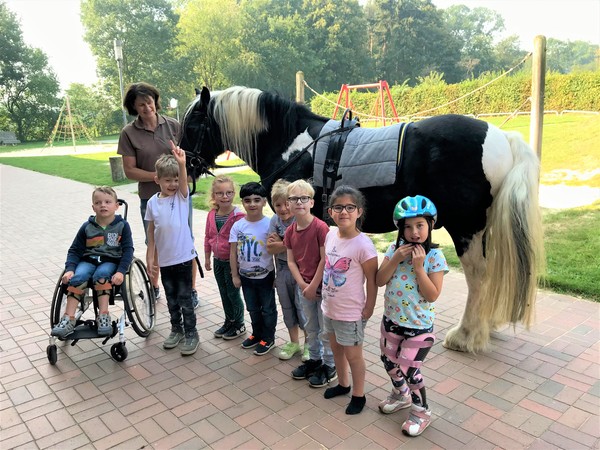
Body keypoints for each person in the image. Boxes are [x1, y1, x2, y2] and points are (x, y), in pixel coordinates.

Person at [117, 82, 199, 306]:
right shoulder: (129, 133)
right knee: (154, 242)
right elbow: (129, 170)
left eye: (149, 102)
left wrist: (181, 176)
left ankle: (190, 290)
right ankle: (154, 287)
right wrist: (158, 177)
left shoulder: (173, 125)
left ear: (155, 101)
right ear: (134, 107)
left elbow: (189, 158)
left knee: (186, 240)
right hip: (150, 197)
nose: (147, 108)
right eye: (141, 104)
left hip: (179, 196)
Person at [376, 195, 448, 436]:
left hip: (419, 327)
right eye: (407, 226)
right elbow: (379, 280)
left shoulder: (435, 257)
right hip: (391, 321)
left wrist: (419, 267)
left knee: (409, 368)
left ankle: (421, 411)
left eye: (420, 225)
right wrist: (396, 258)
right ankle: (401, 394)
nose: (414, 232)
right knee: (388, 361)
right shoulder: (393, 250)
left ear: (431, 225)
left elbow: (432, 295)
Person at [321, 186, 378, 415]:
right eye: (338, 207)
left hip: (351, 313)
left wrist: (370, 307)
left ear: (359, 212)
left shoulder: (363, 245)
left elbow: (372, 280)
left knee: (353, 355)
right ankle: (343, 384)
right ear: (330, 211)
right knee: (336, 348)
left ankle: (359, 394)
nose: (344, 212)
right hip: (330, 308)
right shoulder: (330, 234)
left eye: (350, 207)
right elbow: (326, 264)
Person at [51, 186, 134, 338]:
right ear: (93, 207)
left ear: (116, 206)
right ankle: (68, 318)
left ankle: (103, 316)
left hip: (110, 261)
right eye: (98, 202)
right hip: (88, 260)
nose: (103, 205)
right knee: (77, 277)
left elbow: (128, 250)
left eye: (108, 202)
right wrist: (69, 269)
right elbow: (75, 250)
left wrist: (121, 271)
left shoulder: (122, 226)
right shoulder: (87, 227)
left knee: (102, 275)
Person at [145, 144, 199, 356]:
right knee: (171, 299)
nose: (173, 184)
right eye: (168, 180)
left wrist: (182, 165)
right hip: (165, 262)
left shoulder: (181, 197)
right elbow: (151, 234)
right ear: (157, 180)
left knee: (186, 298)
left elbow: (183, 182)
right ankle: (176, 329)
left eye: (176, 179)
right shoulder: (152, 203)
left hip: (184, 259)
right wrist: (150, 258)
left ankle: (191, 333)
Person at [284, 180, 336, 388]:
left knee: (325, 328)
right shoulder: (289, 231)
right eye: (294, 199)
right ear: (288, 204)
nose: (299, 202)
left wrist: (313, 285)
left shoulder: (320, 228)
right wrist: (302, 285)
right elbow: (290, 260)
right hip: (304, 287)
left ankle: (330, 364)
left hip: (321, 287)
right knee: (311, 326)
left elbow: (325, 259)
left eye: (304, 198)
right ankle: (314, 359)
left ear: (312, 202)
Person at [229, 182, 277, 356]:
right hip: (245, 277)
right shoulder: (238, 226)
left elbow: (276, 252)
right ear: (242, 202)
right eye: (247, 200)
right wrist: (235, 275)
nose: (252, 204)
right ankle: (257, 334)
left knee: (268, 308)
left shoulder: (270, 224)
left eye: (257, 200)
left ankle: (268, 337)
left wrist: (277, 275)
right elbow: (233, 253)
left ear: (265, 202)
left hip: (265, 276)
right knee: (252, 308)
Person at [266, 179, 308, 361]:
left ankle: (310, 344)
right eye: (278, 205)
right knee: (287, 306)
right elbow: (270, 248)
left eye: (286, 204)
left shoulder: (300, 219)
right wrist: (288, 244)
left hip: (301, 269)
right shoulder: (274, 220)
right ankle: (294, 342)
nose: (283, 209)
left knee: (303, 307)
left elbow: (303, 247)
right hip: (282, 269)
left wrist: (282, 243)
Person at [204, 175, 246, 340]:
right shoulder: (211, 215)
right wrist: (207, 257)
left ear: (234, 194)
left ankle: (239, 323)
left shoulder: (239, 217)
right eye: (220, 193)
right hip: (217, 261)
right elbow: (208, 236)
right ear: (214, 195)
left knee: (233, 294)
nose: (225, 196)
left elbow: (242, 242)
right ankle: (229, 320)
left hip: (232, 263)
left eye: (229, 192)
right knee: (223, 292)